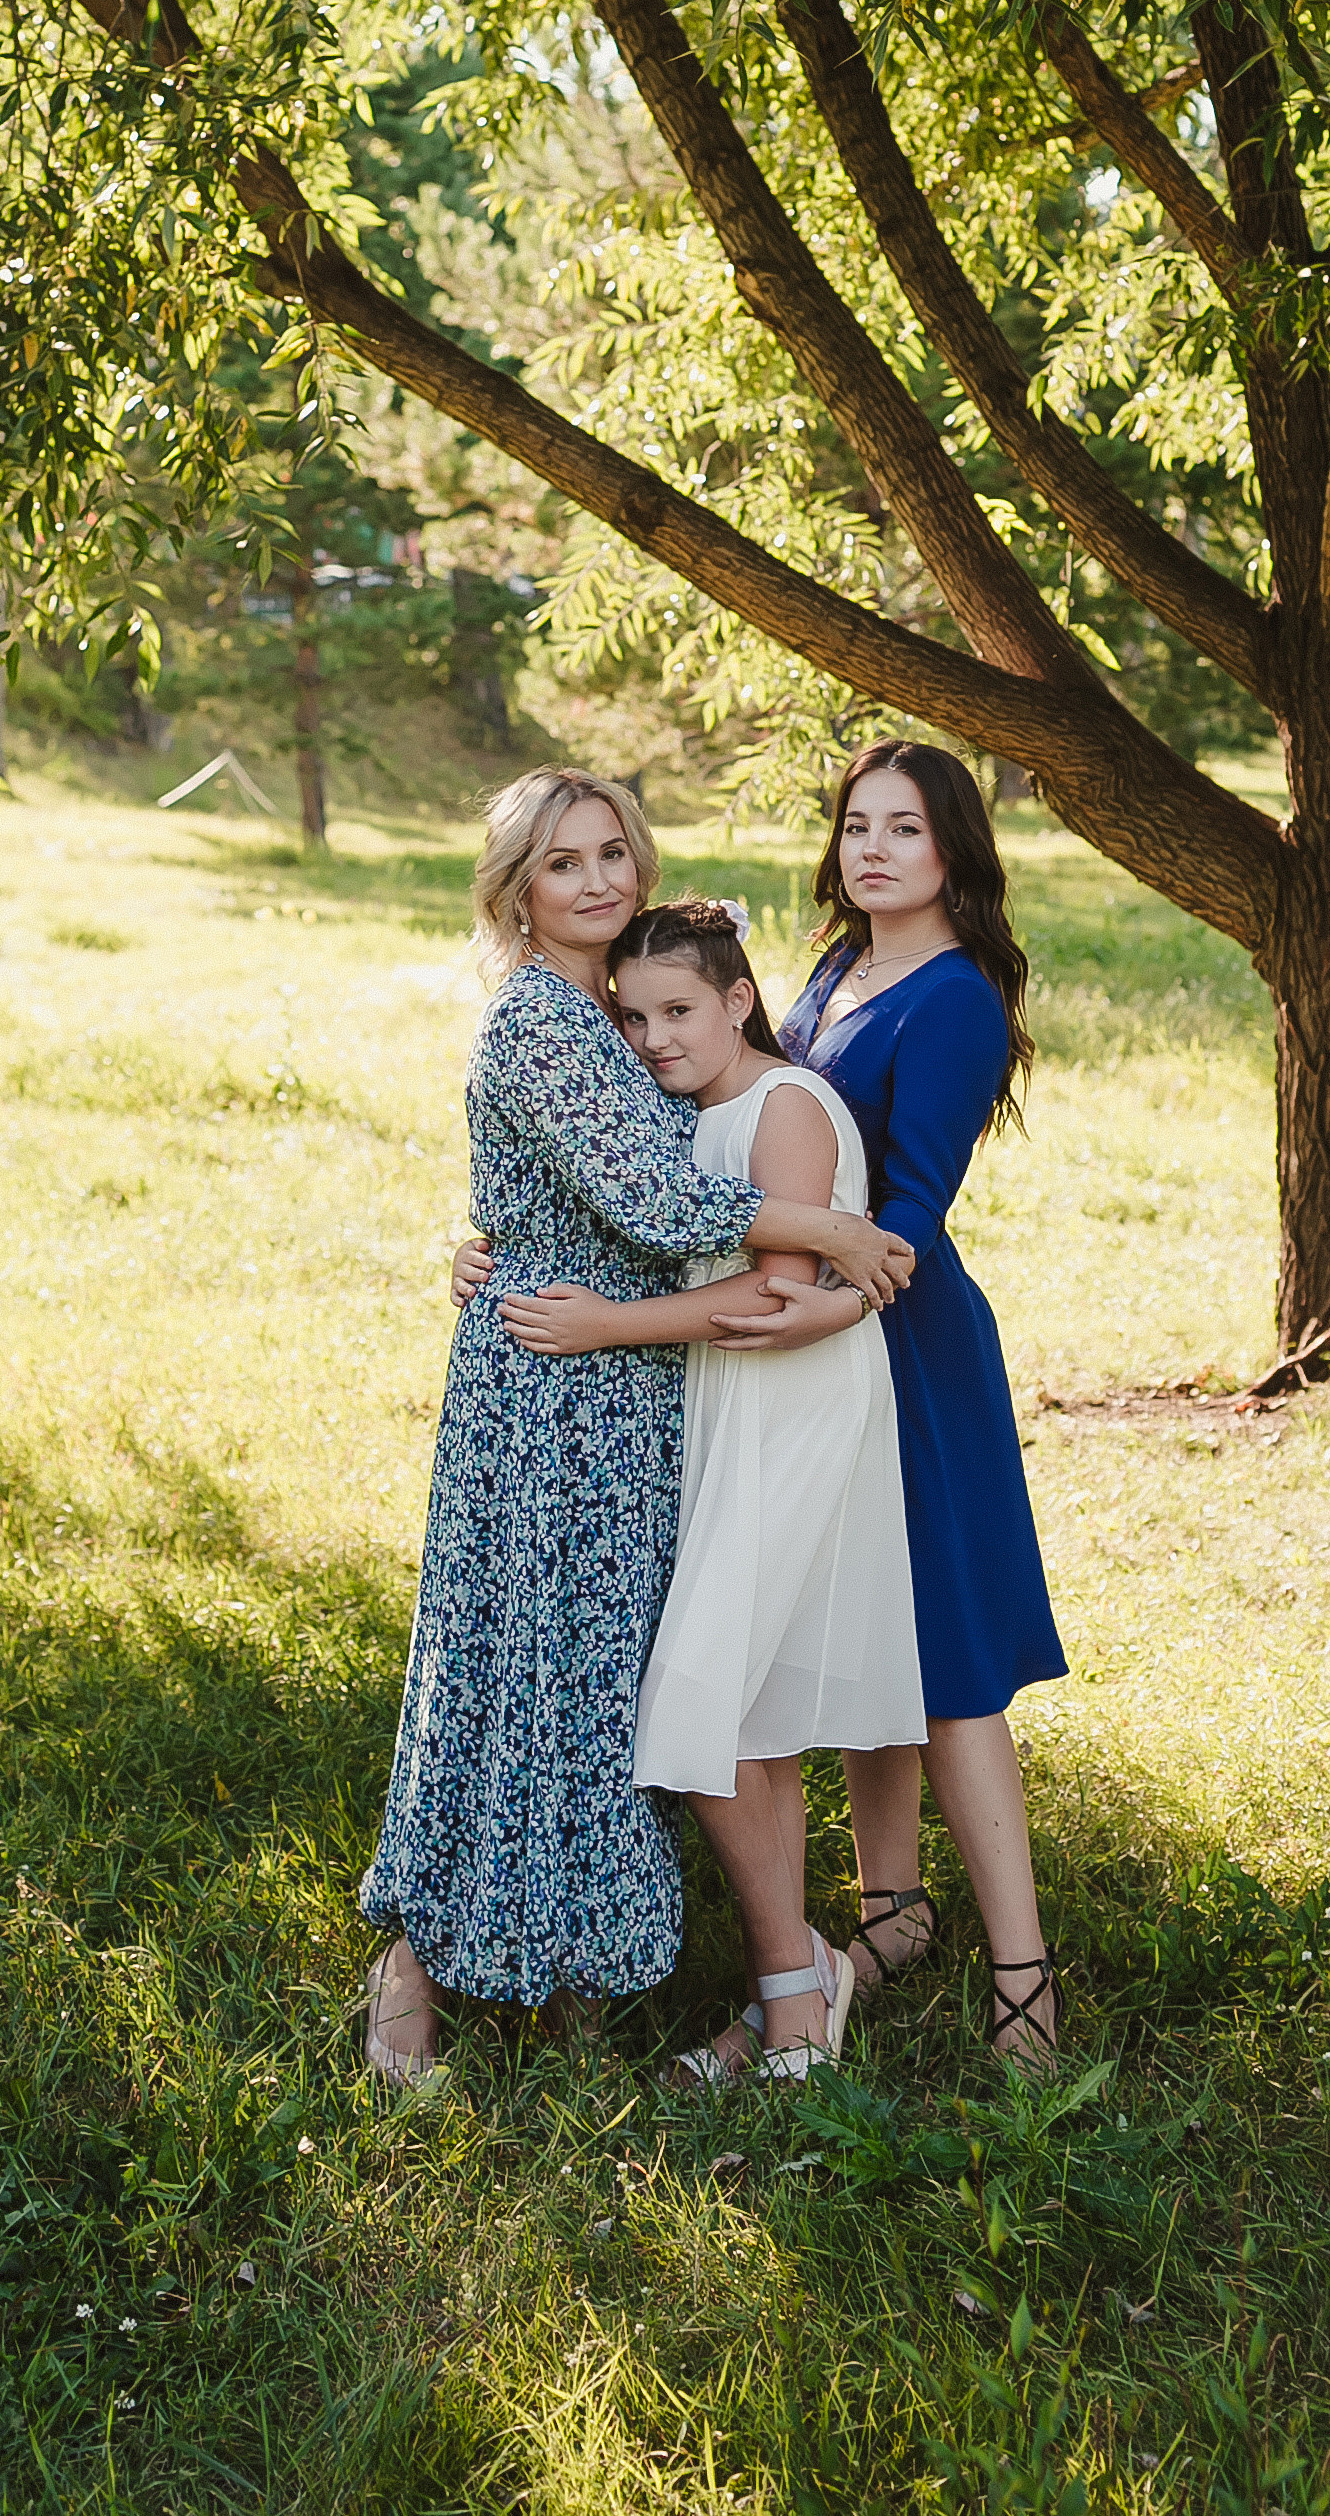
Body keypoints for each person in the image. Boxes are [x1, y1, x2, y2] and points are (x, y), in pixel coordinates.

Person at [361, 772, 914, 2083]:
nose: (600, 880)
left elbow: (640, 1144)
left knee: (600, 1685)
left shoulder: (626, 1002)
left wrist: (487, 1226)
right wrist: (834, 1226)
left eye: (616, 852)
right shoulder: (544, 1020)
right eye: (564, 865)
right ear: (519, 892)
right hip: (554, 1388)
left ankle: (571, 1968)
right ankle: (414, 1964)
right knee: (519, 1672)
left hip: (638, 1392)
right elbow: (662, 1197)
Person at [497, 898, 925, 2081]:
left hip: (787, 1416)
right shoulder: (691, 1111)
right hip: (729, 1418)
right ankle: (793, 1990)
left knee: (707, 1701)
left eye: (678, 1010)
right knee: (738, 1717)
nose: (651, 1038)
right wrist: (482, 1247)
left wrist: (602, 1329)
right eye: (630, 1017)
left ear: (741, 1000)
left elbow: (774, 1309)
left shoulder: (782, 1108)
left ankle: (794, 1989)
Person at [774, 740, 1066, 2068]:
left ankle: (1026, 1980)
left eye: (904, 828)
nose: (874, 848)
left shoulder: (954, 999)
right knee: (864, 1647)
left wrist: (816, 1305)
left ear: (955, 845)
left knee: (949, 1665)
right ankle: (890, 1914)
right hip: (829, 1337)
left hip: (907, 1340)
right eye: (856, 825)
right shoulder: (840, 966)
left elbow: (908, 1214)